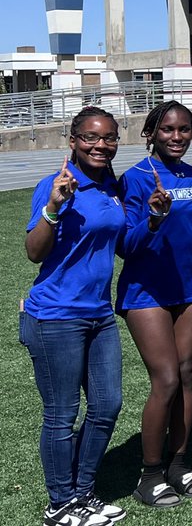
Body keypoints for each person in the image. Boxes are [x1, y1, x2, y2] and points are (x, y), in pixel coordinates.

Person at [21, 107, 127, 526]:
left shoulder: (109, 187)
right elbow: (34, 252)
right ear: (73, 140)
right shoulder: (57, 185)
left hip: (100, 315)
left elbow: (118, 243)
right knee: (61, 414)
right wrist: (53, 207)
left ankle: (82, 493)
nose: (101, 145)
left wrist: (154, 218)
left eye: (109, 138)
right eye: (91, 137)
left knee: (107, 405)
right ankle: (60, 503)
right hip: (55, 317)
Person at [117, 101, 192, 506]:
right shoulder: (135, 179)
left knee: (188, 373)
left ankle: (178, 464)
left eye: (185, 129)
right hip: (146, 291)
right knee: (167, 378)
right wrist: (153, 219)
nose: (177, 137)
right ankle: (150, 474)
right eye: (168, 130)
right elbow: (125, 245)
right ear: (151, 133)